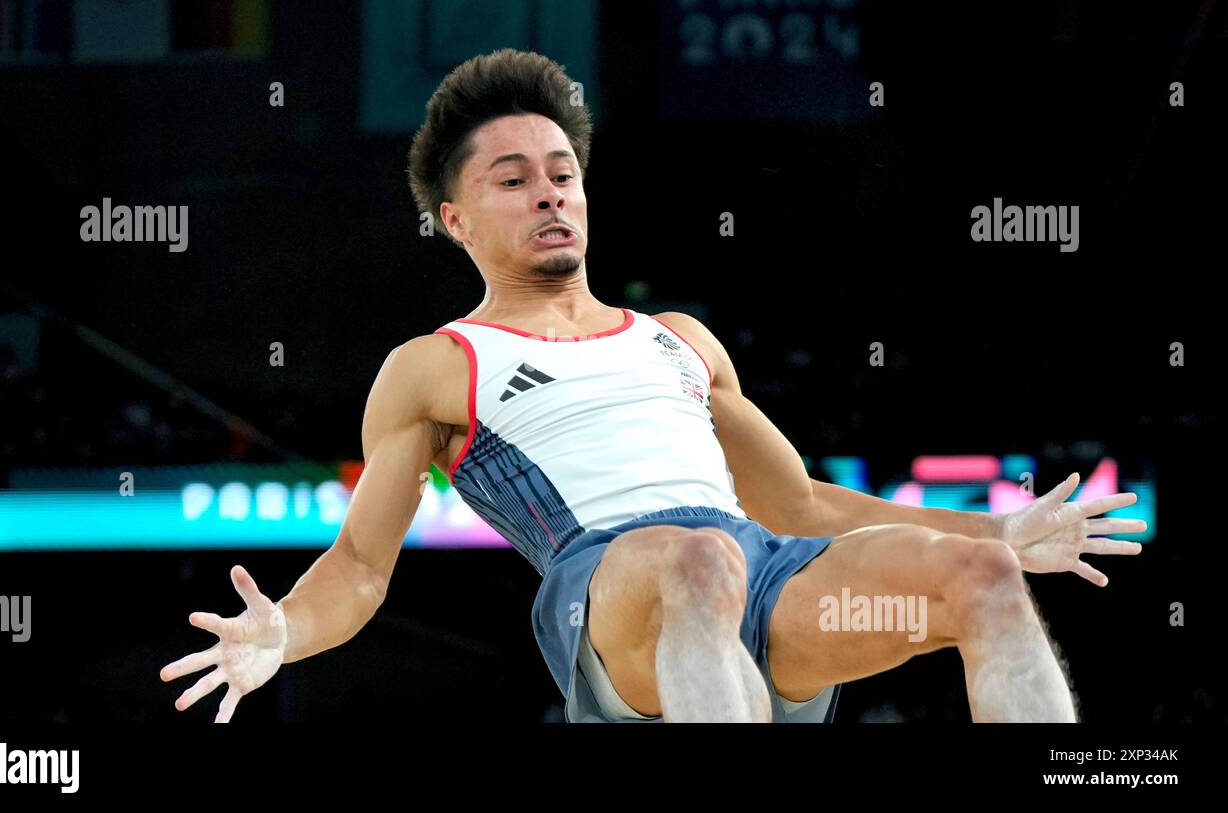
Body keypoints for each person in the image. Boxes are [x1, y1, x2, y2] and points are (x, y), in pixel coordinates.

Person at [160, 49, 1145, 723]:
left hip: (760, 577)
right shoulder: (435, 364)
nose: (550, 191)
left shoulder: (678, 340)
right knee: (694, 557)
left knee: (979, 581)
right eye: (513, 178)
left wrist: (995, 531)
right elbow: (365, 566)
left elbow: (795, 502)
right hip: (615, 590)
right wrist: (284, 629)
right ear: (453, 218)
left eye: (562, 171)